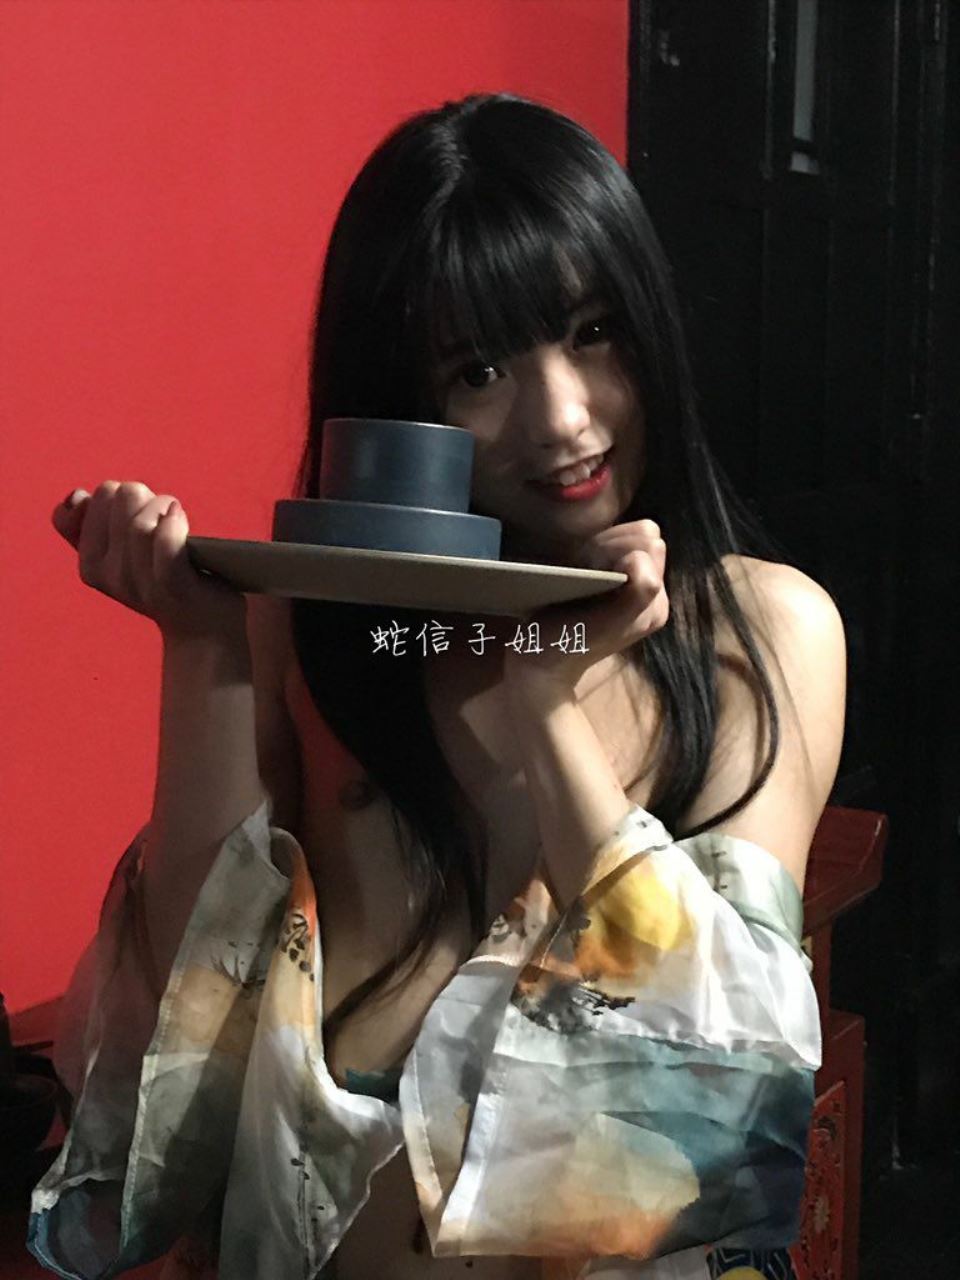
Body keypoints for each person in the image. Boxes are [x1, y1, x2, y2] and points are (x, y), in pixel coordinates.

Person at [34, 94, 846, 1280]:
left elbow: (719, 1090)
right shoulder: (328, 635)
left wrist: (544, 697)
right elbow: (184, 1033)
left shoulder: (761, 633)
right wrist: (202, 645)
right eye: (479, 368)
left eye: (594, 331)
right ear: (399, 397)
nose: (563, 418)